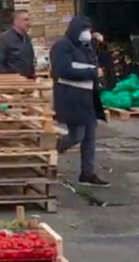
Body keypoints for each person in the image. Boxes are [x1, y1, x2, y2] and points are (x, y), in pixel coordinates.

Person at [51, 16, 110, 188]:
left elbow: (95, 62)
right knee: (77, 135)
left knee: (90, 137)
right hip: (71, 98)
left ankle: (88, 173)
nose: (87, 33)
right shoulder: (62, 46)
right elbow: (63, 70)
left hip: (88, 98)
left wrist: (98, 44)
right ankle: (52, 150)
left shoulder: (85, 46)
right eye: (85, 30)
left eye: (89, 30)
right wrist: (92, 74)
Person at [0, 10, 35, 78]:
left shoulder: (26, 38)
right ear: (16, 22)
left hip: (27, 82)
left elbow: (29, 62)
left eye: (30, 20)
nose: (29, 23)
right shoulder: (5, 39)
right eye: (25, 20)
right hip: (13, 83)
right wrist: (11, 78)